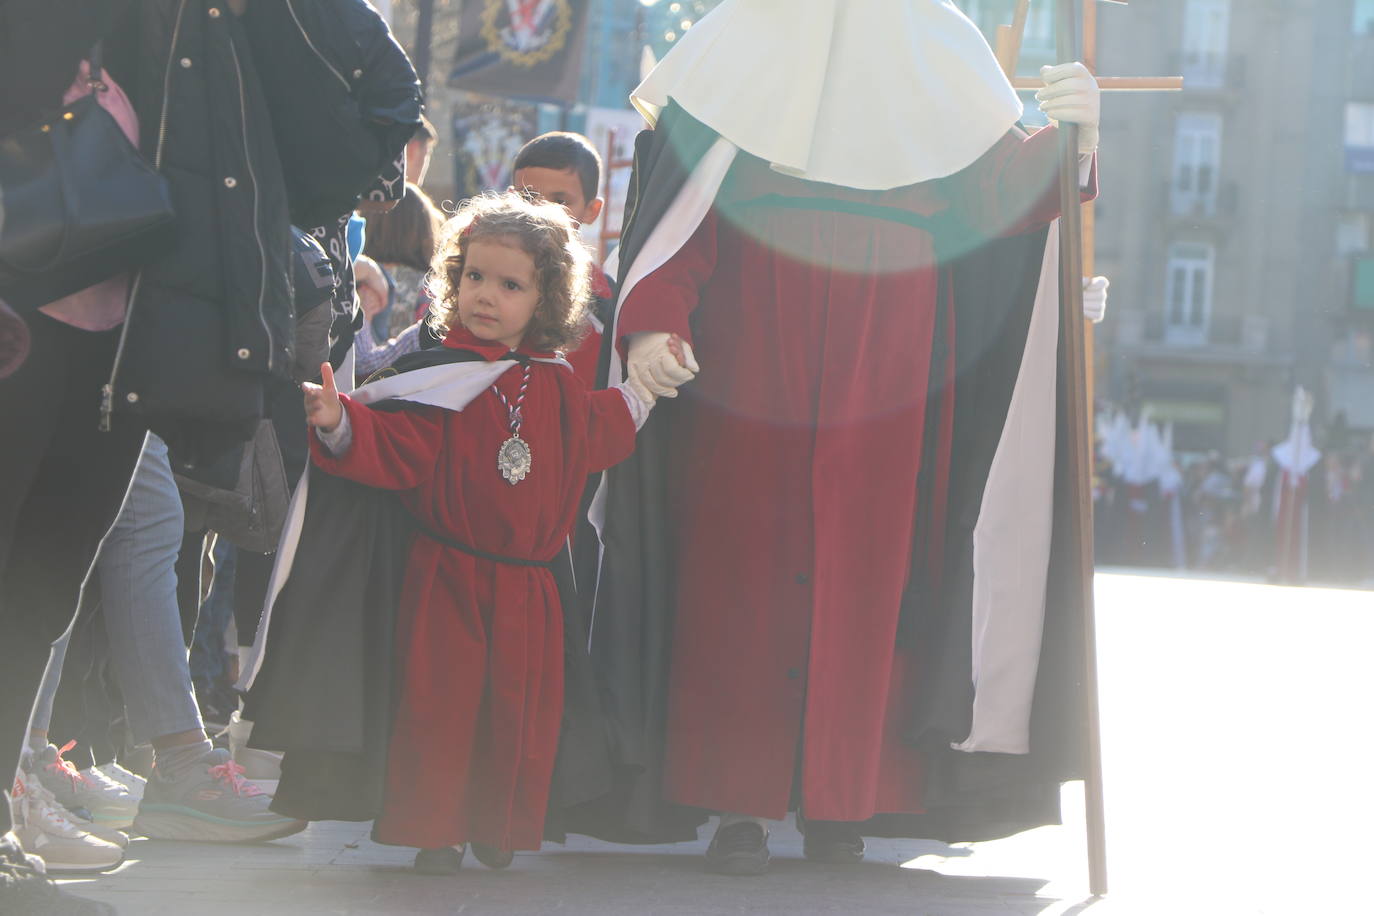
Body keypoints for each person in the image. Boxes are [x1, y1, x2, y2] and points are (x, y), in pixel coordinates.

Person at [575, 0, 1103, 875]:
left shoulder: (937, 39)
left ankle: (843, 796)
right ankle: (736, 798)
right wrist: (655, 319)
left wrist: (1073, 141)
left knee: (872, 573)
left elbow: (1000, 193)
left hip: (894, 343)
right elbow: (687, 205)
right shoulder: (744, 36)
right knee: (741, 569)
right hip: (755, 340)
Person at [242, 191, 692, 876]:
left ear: (546, 298)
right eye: (473, 276)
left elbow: (597, 433)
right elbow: (394, 444)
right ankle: (437, 833)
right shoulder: (441, 378)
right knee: (440, 716)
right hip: (445, 582)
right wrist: (339, 421)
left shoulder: (560, 385)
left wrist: (644, 389)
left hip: (530, 590)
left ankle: (501, 826)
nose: (486, 295)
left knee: (520, 718)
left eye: (510, 284)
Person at [510, 131, 612, 385]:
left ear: (591, 210)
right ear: (510, 199)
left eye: (560, 201)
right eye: (529, 198)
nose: (543, 213)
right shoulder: (482, 272)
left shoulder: (604, 302)